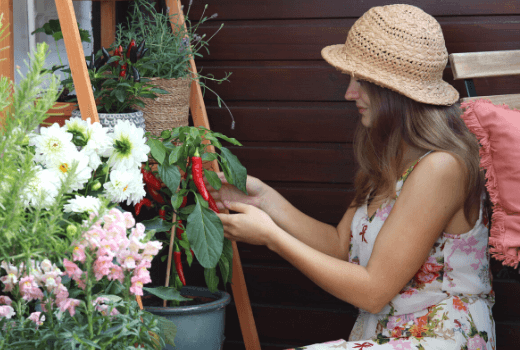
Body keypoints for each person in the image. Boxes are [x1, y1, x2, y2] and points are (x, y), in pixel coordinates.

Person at [205, 4, 495, 349]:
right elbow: (340, 246)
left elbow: (373, 292)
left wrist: (272, 237)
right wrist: (262, 199)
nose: (349, 93)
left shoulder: (442, 167)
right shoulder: (390, 157)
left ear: (392, 89)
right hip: (388, 336)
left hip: (441, 336)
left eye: (360, 80)